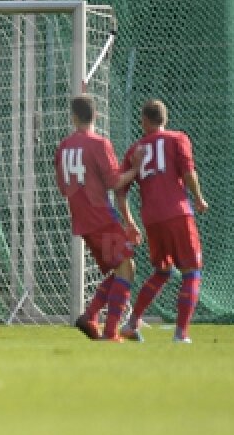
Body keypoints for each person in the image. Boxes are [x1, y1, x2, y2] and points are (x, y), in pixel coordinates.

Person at [114, 99, 209, 343]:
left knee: (162, 271)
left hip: (152, 219)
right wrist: (198, 198)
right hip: (178, 214)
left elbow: (119, 190)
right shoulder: (178, 139)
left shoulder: (135, 150)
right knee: (192, 272)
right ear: (164, 119)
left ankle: (132, 322)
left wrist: (129, 222)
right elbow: (188, 172)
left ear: (144, 121)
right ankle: (181, 334)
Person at [54, 95, 139, 341]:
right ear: (97, 116)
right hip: (100, 216)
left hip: (82, 219)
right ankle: (111, 331)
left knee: (120, 268)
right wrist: (135, 169)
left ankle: (91, 315)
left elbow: (62, 187)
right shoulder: (99, 143)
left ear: (74, 117)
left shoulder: (64, 146)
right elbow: (114, 181)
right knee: (127, 267)